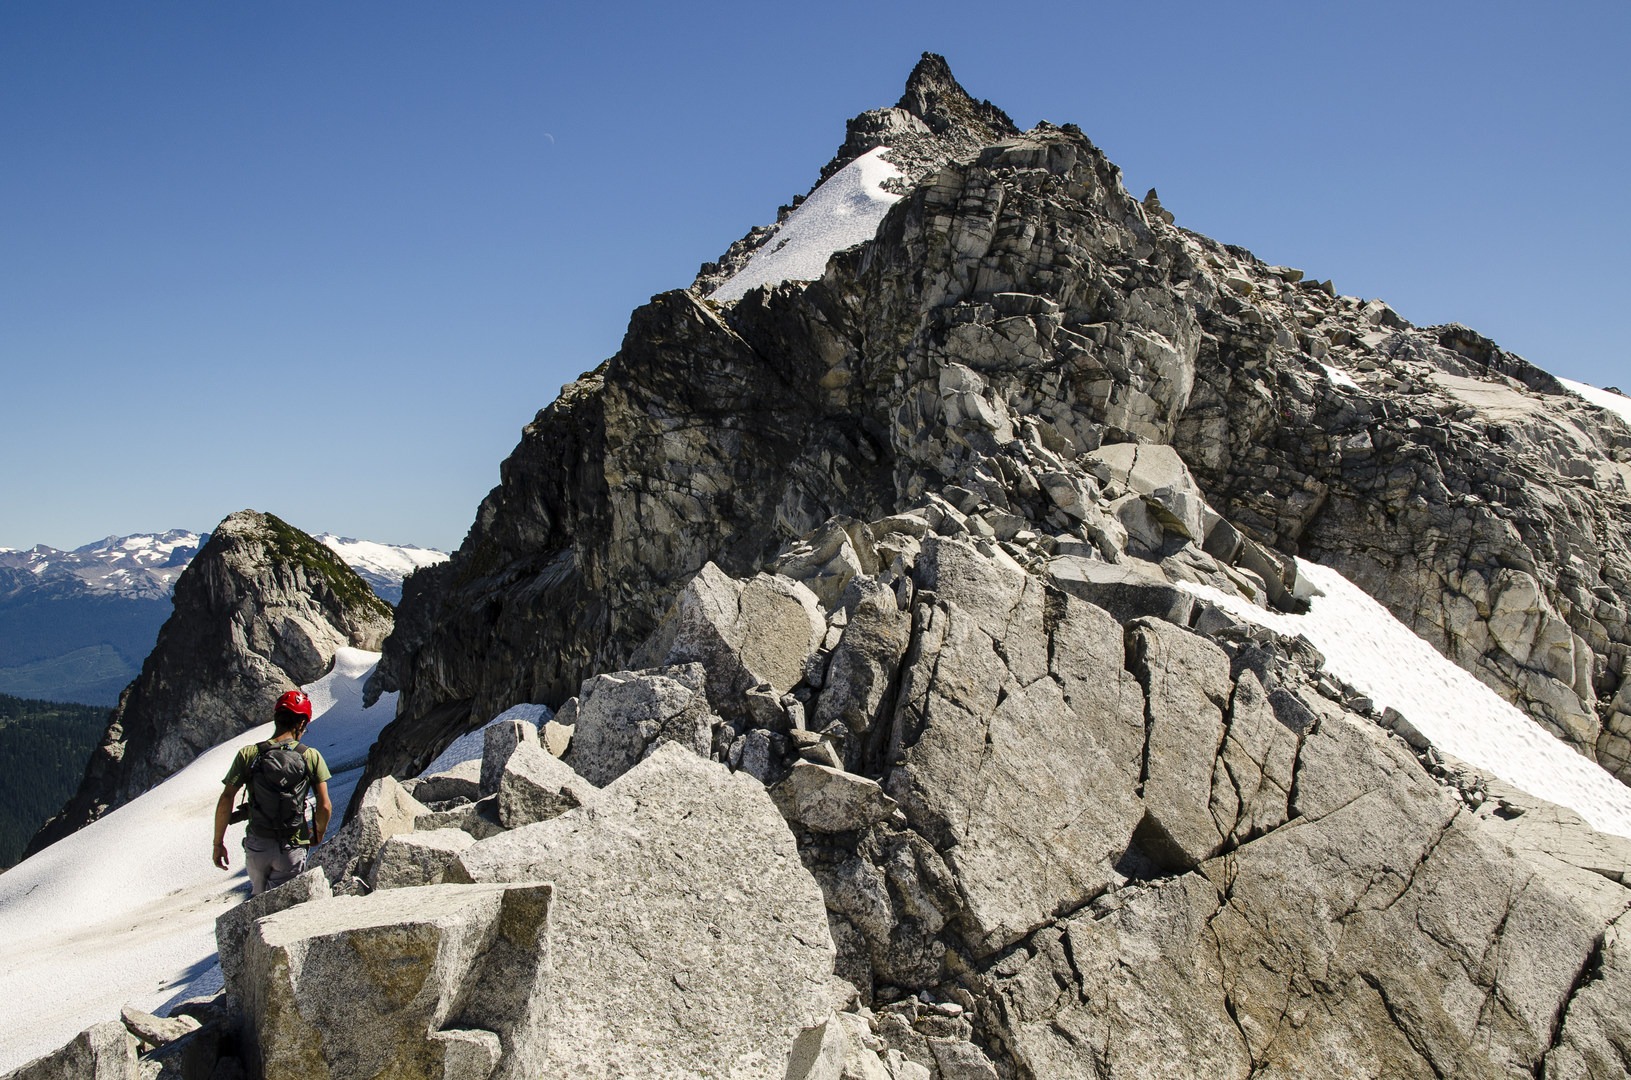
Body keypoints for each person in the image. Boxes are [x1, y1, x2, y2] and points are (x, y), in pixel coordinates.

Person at [212, 689, 332, 896]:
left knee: (258, 900)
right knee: (284, 906)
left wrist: (218, 843)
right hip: (292, 847)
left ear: (276, 717)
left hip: (257, 845)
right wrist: (318, 834)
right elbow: (325, 805)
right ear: (302, 723)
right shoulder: (311, 756)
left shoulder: (250, 754)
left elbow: (226, 798)